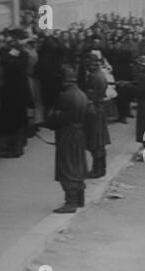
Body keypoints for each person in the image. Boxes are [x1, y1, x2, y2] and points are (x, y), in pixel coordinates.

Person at [42, 67, 89, 213]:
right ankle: (79, 198)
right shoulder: (81, 94)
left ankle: (71, 202)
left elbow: (59, 118)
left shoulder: (65, 96)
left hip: (67, 134)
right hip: (79, 133)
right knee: (77, 165)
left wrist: (47, 123)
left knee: (67, 167)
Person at [83, 54, 111, 179]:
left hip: (95, 111)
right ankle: (99, 168)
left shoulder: (95, 77)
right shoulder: (98, 75)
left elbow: (92, 95)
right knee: (98, 142)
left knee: (96, 142)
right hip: (98, 109)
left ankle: (98, 169)